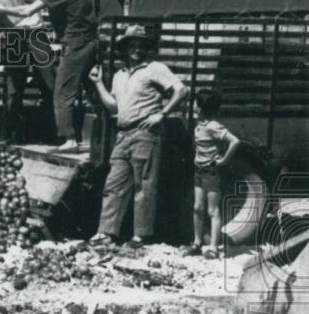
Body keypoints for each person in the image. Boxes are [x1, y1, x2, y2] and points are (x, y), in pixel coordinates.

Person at [87, 25, 190, 248]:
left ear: (147, 48)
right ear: (125, 48)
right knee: (113, 184)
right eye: (132, 45)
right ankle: (106, 233)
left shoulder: (154, 68)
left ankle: (140, 236)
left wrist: (162, 114)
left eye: (141, 45)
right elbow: (114, 107)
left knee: (143, 186)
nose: (136, 49)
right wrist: (97, 83)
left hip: (145, 134)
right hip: (122, 135)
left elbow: (182, 90)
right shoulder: (119, 75)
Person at [0, 0, 97, 151]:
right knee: (87, 87)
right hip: (86, 42)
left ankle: (68, 138)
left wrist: (2, 10)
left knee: (60, 90)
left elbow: (26, 11)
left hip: (70, 43)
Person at [0, 0, 55, 143]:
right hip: (15, 35)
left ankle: (50, 132)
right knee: (14, 86)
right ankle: (15, 133)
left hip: (36, 33)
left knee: (48, 82)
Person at [188, 88, 241, 259]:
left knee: (212, 210)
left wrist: (224, 160)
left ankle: (213, 247)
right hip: (199, 170)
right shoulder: (200, 125)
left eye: (196, 103)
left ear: (201, 108)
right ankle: (197, 243)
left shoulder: (213, 126)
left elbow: (235, 141)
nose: (194, 106)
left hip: (211, 172)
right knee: (197, 208)